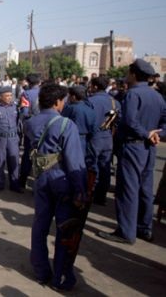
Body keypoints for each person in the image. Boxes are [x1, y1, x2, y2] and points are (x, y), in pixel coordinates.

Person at [25, 83, 87, 291]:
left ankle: (41, 271)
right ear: (57, 102)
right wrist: (80, 189)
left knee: (40, 224)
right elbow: (74, 160)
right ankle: (61, 276)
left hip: (41, 177)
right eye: (63, 100)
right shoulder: (65, 124)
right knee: (65, 228)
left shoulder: (31, 122)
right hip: (61, 179)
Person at [98, 59, 166, 244]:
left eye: (128, 72)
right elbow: (164, 122)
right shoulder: (157, 96)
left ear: (134, 74)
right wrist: (156, 135)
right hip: (149, 147)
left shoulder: (132, 95)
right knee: (145, 188)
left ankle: (126, 232)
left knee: (128, 189)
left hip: (134, 146)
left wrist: (145, 134)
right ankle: (145, 228)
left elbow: (129, 121)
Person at [87, 76, 121, 205]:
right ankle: (101, 197)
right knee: (105, 167)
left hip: (94, 136)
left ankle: (90, 192)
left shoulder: (90, 101)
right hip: (107, 137)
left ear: (95, 86)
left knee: (91, 165)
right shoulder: (114, 102)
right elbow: (119, 121)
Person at [61, 85, 97, 165]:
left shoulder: (70, 108)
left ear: (73, 97)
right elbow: (94, 129)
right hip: (85, 140)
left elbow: (62, 123)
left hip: (71, 139)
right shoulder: (90, 108)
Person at [18, 73, 41, 189]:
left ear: (28, 82)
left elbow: (24, 113)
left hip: (32, 128)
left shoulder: (26, 94)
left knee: (28, 155)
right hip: (46, 127)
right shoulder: (45, 92)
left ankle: (22, 183)